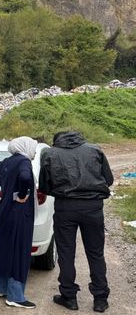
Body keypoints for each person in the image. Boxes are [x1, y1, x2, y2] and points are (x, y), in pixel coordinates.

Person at [39, 131, 113, 313]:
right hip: (93, 207)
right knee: (95, 253)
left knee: (66, 252)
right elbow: (108, 180)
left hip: (66, 207)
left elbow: (44, 186)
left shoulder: (49, 153)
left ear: (56, 141)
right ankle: (100, 299)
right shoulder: (95, 150)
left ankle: (69, 297)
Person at [0, 137, 39, 309]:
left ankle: (1, 288)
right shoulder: (24, 161)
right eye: (34, 147)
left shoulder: (7, 161)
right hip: (18, 214)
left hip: (3, 211)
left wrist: (7, 187)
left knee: (4, 248)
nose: (35, 150)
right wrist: (21, 194)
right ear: (25, 147)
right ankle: (15, 296)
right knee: (19, 251)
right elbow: (25, 177)